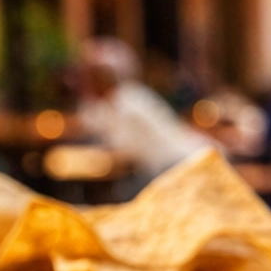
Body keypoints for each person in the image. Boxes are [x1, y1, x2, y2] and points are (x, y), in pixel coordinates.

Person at [75, 38, 210, 182]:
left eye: (89, 77)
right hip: (171, 166)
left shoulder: (127, 104)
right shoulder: (120, 99)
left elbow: (123, 154)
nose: (85, 83)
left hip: (178, 166)